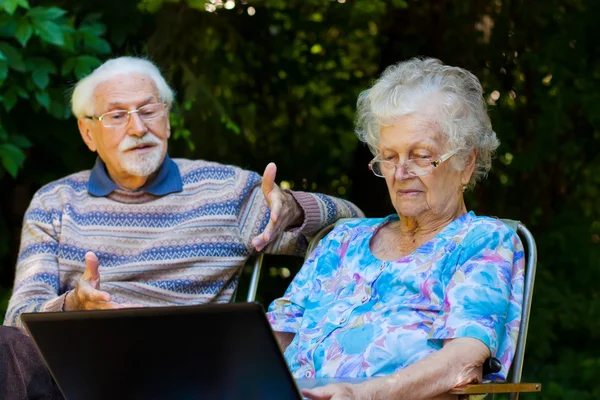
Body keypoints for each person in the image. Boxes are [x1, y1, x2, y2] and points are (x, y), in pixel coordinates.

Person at [0, 56, 362, 399]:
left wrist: (295, 209)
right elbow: (18, 321)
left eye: (148, 110)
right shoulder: (55, 202)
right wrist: (73, 307)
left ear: (168, 119)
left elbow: (351, 223)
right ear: (88, 133)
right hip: (75, 376)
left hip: (185, 372)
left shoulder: (226, 192)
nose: (138, 128)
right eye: (116, 115)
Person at [267, 58, 525, 400]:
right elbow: (273, 336)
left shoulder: (483, 242)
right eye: (389, 156)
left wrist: (365, 394)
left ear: (466, 163)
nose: (401, 172)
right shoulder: (343, 240)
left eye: (421, 155)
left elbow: (463, 361)